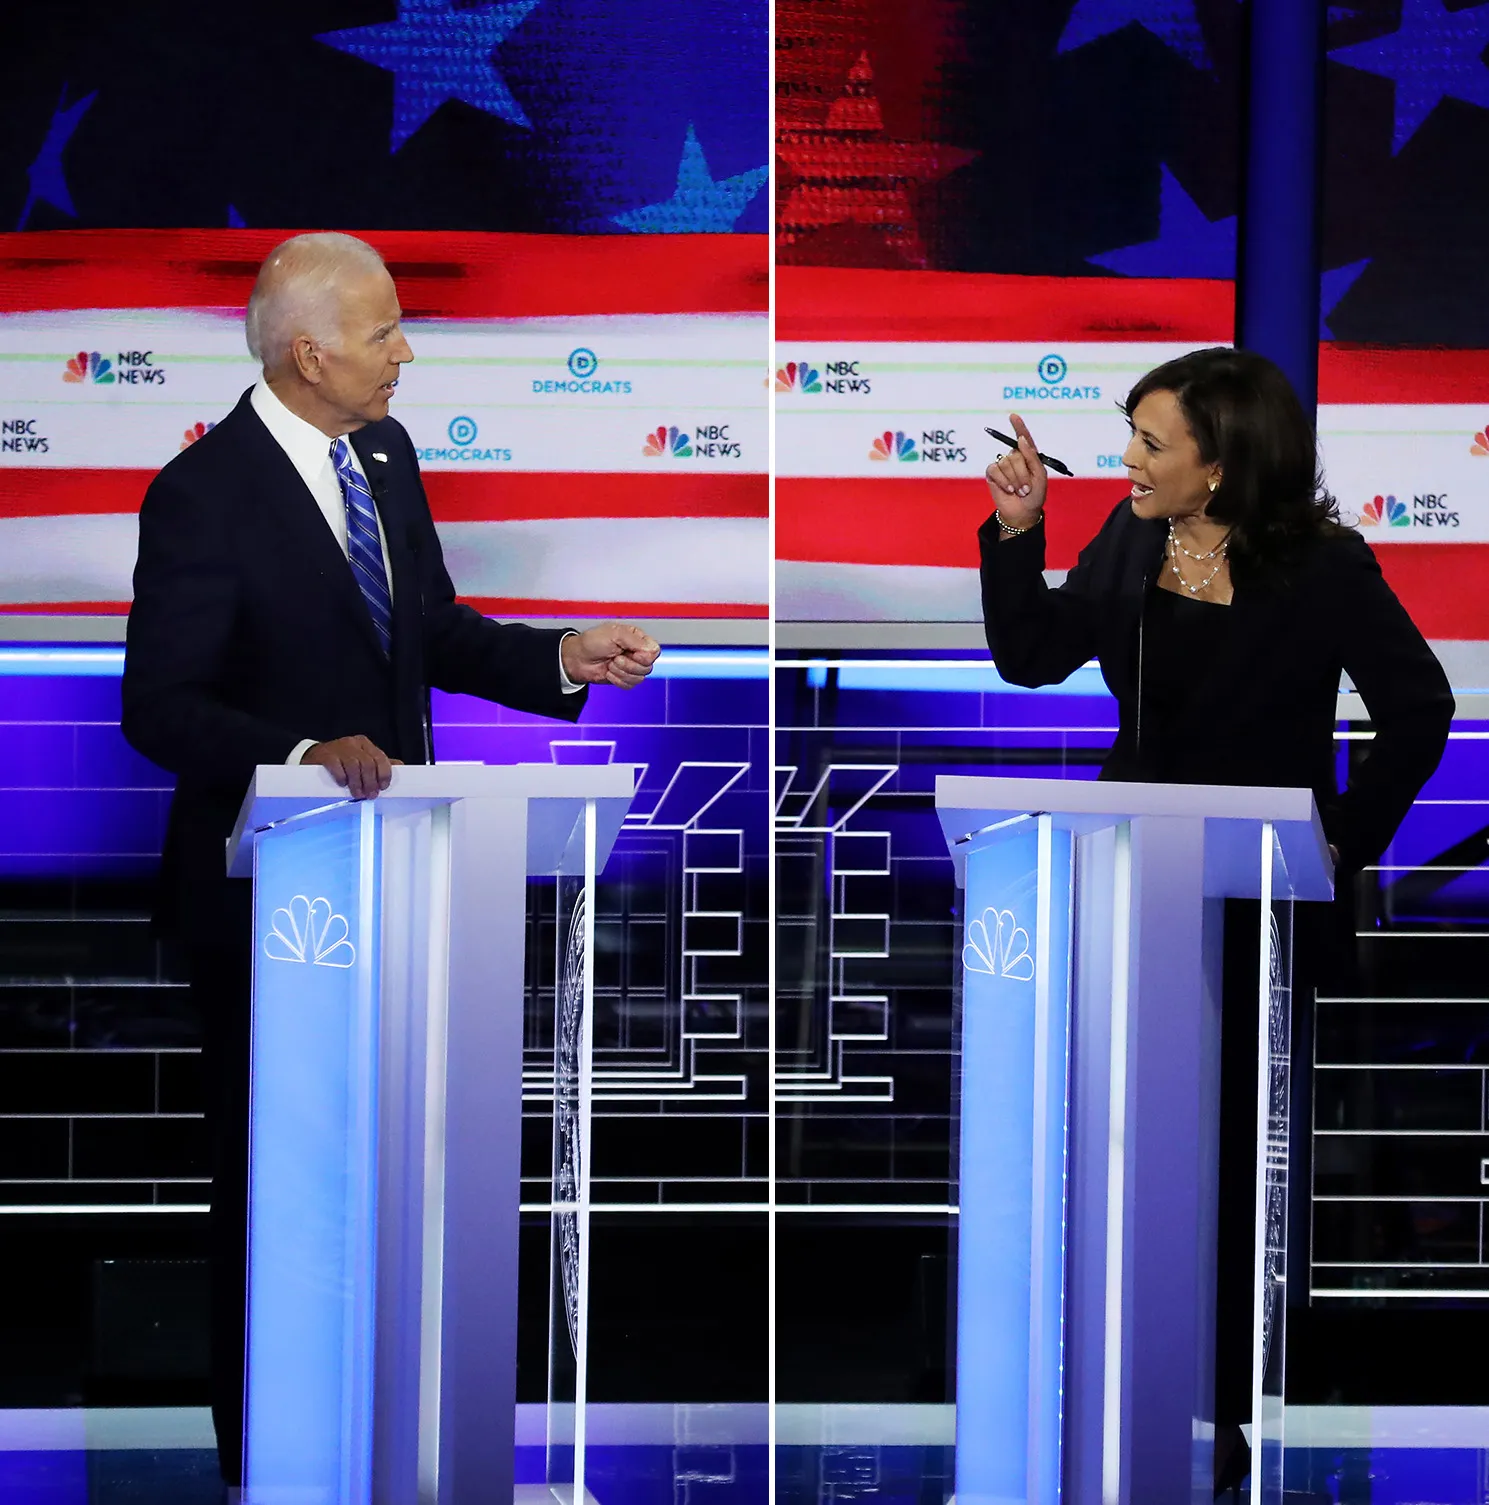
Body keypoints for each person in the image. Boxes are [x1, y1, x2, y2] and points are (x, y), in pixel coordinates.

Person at [120, 232, 660, 1493]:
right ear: (310, 352)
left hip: (407, 886)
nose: (405, 352)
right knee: (275, 1183)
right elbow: (158, 705)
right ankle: (269, 1456)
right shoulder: (200, 495)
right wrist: (307, 748)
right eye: (385, 333)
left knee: (399, 1182)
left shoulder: (384, 454)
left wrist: (562, 658)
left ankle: (396, 1437)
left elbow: (427, 626)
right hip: (270, 905)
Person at [978, 346, 1454, 1497]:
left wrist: (1344, 836)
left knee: (1234, 1159)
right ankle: (1105, 1379)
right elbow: (1032, 655)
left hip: (1262, 898)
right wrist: (1018, 530)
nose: (1128, 459)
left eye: (1152, 442)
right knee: (1114, 1141)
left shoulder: (1327, 565)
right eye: (1130, 438)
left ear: (1220, 458)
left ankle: (1228, 1408)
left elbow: (1418, 705)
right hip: (1127, 882)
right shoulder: (1132, 540)